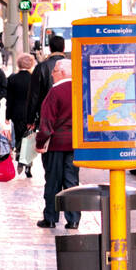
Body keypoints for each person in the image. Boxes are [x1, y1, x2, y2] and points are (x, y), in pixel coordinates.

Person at [35, 58, 79, 228]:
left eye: (53, 71)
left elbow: (46, 123)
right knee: (71, 181)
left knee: (53, 181)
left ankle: (51, 218)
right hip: (75, 144)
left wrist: (40, 142)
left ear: (62, 72)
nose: (52, 75)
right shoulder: (81, 90)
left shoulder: (55, 92)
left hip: (57, 144)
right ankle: (73, 219)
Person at [28, 32, 67, 132]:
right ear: (64, 48)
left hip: (46, 114)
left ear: (49, 48)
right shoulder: (72, 65)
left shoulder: (41, 67)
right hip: (68, 114)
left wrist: (30, 119)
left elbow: (34, 95)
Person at [6, 53, 36, 177]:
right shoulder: (33, 78)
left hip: (16, 113)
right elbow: (35, 98)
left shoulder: (12, 78)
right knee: (29, 138)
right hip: (30, 113)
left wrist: (7, 116)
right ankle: (28, 164)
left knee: (19, 137)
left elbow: (10, 99)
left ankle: (19, 159)